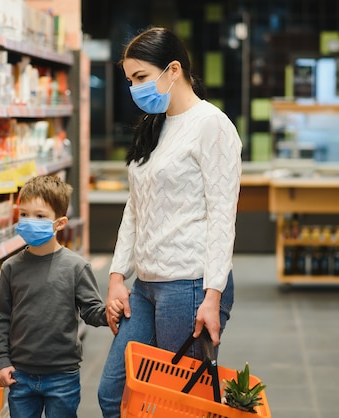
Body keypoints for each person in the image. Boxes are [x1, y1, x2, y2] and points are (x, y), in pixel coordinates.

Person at [98, 27, 242, 417]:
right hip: (146, 285)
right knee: (113, 392)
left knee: (175, 406)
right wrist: (116, 276)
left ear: (173, 69)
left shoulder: (211, 125)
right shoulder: (153, 126)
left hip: (190, 285)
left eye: (141, 77)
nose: (134, 88)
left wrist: (212, 296)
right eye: (130, 81)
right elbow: (135, 206)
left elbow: (222, 215)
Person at [0, 175, 122, 418]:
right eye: (24, 214)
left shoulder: (76, 267)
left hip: (62, 376)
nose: (30, 221)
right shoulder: (11, 268)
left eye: (40, 216)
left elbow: (91, 311)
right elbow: (0, 317)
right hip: (20, 374)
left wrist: (109, 313)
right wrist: (0, 360)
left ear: (59, 223)